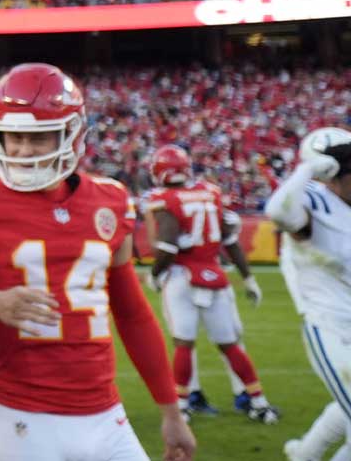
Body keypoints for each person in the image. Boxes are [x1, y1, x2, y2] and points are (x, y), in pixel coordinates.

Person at [0, 62, 196, 461]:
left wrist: (171, 411)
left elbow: (134, 314)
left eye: (39, 137)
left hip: (105, 409)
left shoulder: (111, 200)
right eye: (12, 136)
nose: (22, 150)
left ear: (72, 135)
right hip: (23, 409)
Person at [139, 144, 278, 422]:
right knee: (230, 344)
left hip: (182, 277)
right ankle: (259, 402)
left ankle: (182, 406)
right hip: (215, 275)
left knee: (183, 344)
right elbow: (230, 240)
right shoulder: (211, 193)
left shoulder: (165, 199)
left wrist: (154, 275)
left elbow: (167, 245)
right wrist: (248, 277)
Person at [267, 127, 351, 461]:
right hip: (329, 325)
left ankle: (304, 455)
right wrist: (307, 169)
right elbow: (278, 212)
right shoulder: (315, 200)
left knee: (343, 410)